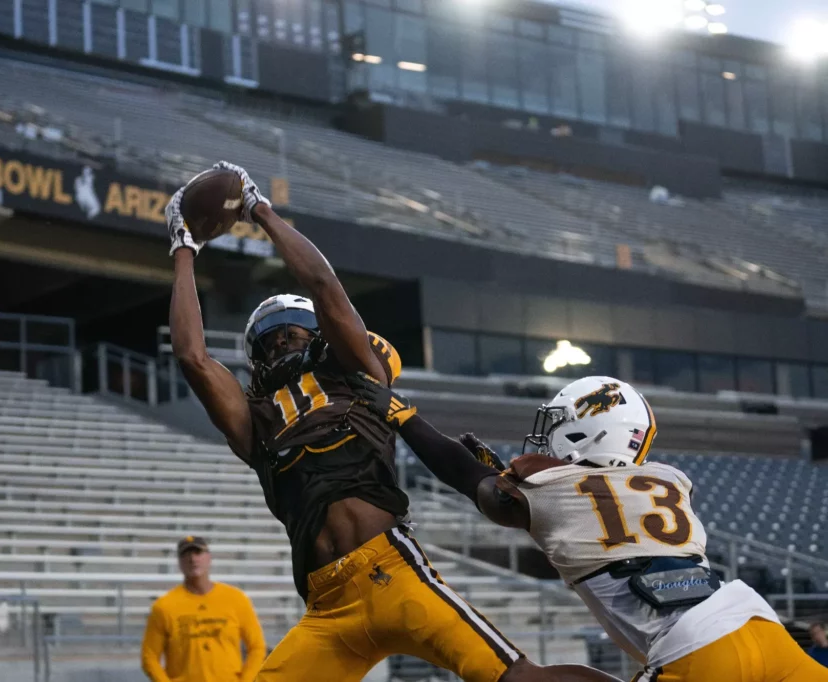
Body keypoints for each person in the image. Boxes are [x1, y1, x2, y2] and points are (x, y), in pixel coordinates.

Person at [165, 161, 619, 682]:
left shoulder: (358, 376)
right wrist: (183, 248)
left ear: (317, 339)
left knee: (517, 679)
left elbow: (323, 284)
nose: (282, 342)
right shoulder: (256, 421)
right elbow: (193, 357)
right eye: (270, 340)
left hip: (394, 572)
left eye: (292, 333)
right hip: (326, 608)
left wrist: (259, 209)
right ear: (255, 361)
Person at [348, 372, 828, 681]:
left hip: (695, 653)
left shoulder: (547, 487)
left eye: (559, 425)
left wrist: (405, 417)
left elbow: (464, 476)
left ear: (589, 431)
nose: (547, 437)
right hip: (760, 625)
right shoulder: (671, 480)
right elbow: (596, 504)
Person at [140, 535, 266, 682]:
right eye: (186, 554)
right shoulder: (164, 606)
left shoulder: (236, 599)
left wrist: (246, 679)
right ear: (179, 562)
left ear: (209, 557)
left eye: (198, 553)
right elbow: (149, 656)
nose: (193, 559)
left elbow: (257, 647)